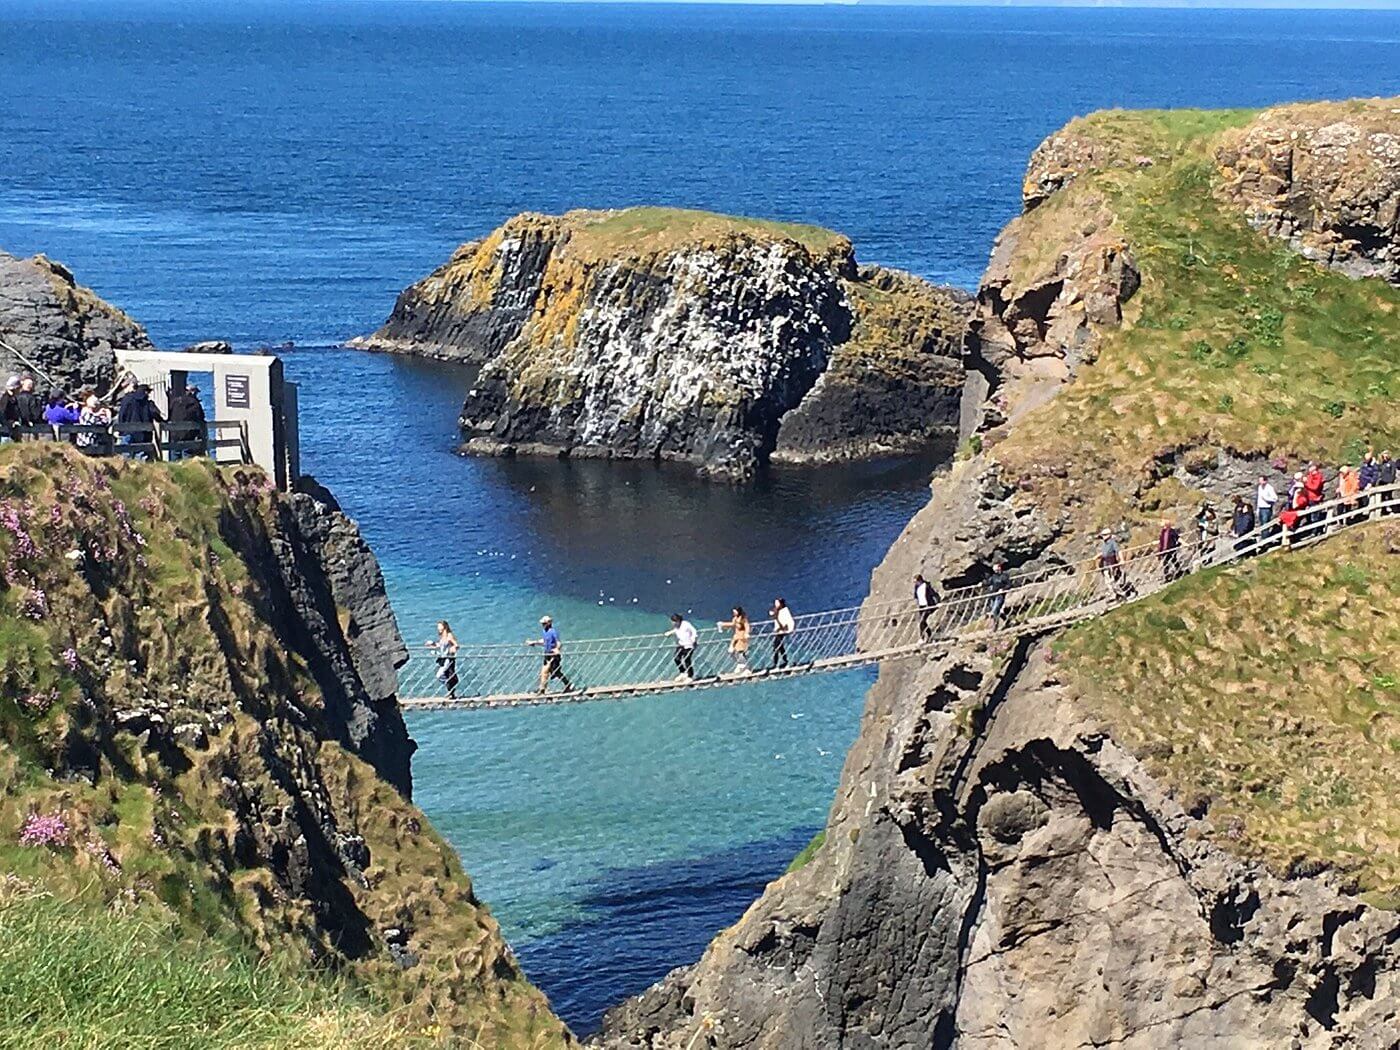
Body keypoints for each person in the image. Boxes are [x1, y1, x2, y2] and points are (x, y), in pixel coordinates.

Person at [526, 614, 574, 694]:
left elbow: (558, 642)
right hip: (547, 654)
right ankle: (542, 689)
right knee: (544, 672)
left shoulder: (553, 632)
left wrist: (557, 649)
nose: (542, 625)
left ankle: (568, 684)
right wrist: (534, 642)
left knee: (555, 672)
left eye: (544, 623)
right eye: (542, 624)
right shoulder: (544, 631)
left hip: (553, 655)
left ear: (548, 623)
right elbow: (544, 641)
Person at [116, 383, 163, 458]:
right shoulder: (148, 403)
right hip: (143, 434)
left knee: (125, 456)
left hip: (127, 431)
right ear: (146, 392)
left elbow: (122, 414)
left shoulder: (127, 399)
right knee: (140, 455)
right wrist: (162, 420)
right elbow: (155, 414)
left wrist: (121, 429)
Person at [165, 384, 207, 459]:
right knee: (187, 454)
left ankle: (175, 469)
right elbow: (200, 417)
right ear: (192, 392)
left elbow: (169, 414)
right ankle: (186, 470)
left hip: (175, 433)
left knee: (175, 453)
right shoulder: (194, 403)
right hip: (188, 434)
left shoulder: (175, 401)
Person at [426, 620, 460, 700]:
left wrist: (453, 648)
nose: (438, 628)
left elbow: (456, 645)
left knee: (440, 675)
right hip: (443, 658)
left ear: (444, 626)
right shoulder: (442, 637)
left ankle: (451, 688)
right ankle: (451, 690)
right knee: (442, 675)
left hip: (448, 658)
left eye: (439, 626)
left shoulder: (449, 635)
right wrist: (432, 644)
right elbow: (440, 646)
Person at [1097, 529, 1130, 599]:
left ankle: (1121, 594)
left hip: (1111, 564)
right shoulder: (1104, 544)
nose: (1103, 537)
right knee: (1107, 582)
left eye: (1104, 535)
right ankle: (1114, 595)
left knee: (1112, 581)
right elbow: (1104, 553)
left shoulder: (1112, 543)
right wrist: (1097, 557)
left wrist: (1122, 560)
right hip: (1105, 565)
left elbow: (1118, 551)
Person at [717, 606, 751, 674]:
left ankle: (745, 667)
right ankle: (740, 664)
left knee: (740, 652)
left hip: (742, 637)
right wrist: (723, 624)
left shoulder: (743, 619)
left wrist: (747, 633)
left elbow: (747, 626)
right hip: (736, 637)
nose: (734, 613)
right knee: (731, 651)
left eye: (735, 611)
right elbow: (732, 624)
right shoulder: (735, 619)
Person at [667, 613, 699, 681]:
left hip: (689, 645)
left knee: (687, 660)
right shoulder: (676, 626)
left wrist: (694, 640)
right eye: (672, 622)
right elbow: (676, 630)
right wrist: (670, 633)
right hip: (681, 644)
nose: (673, 623)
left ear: (679, 621)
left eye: (675, 622)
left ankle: (690, 676)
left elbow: (694, 631)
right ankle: (683, 673)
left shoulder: (686, 624)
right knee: (676, 658)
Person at [770, 598, 795, 669]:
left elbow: (786, 621)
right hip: (779, 631)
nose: (775, 604)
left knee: (776, 647)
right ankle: (785, 661)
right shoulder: (778, 610)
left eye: (777, 603)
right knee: (780, 647)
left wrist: (785, 628)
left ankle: (776, 664)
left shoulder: (784, 611)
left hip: (782, 631)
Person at [913, 573, 938, 641]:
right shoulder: (916, 587)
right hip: (921, 606)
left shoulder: (926, 586)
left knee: (922, 621)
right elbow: (916, 596)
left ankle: (922, 638)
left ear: (920, 580)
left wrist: (937, 602)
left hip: (928, 605)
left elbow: (933, 594)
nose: (915, 583)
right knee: (923, 622)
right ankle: (930, 635)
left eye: (916, 582)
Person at [1379, 450, 1396, 514]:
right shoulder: (1382, 463)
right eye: (1383, 455)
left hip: (1389, 482)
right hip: (1382, 482)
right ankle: (1383, 510)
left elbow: (1393, 473)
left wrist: (1391, 481)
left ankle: (1391, 509)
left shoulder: (1391, 463)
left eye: (1386, 454)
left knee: (1389, 496)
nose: (1384, 456)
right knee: (1382, 496)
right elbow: (1380, 471)